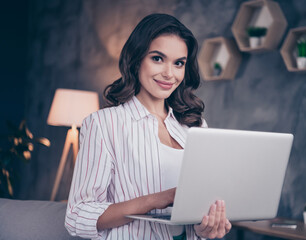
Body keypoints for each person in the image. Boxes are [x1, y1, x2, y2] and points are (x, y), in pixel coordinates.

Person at [65, 13, 231, 240]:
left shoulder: (196, 128)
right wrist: (156, 199)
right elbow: (77, 215)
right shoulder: (104, 124)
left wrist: (205, 228)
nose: (169, 74)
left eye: (179, 63)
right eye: (157, 58)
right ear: (137, 59)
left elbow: (197, 214)